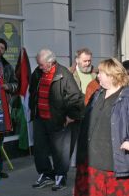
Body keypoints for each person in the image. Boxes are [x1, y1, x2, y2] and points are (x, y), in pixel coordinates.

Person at [29, 48, 84, 191]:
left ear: (51, 62)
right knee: (39, 149)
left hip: (58, 119)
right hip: (40, 117)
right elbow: (33, 91)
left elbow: (75, 96)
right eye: (38, 64)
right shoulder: (37, 73)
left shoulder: (63, 74)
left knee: (60, 151)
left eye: (41, 65)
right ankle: (45, 174)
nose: (39, 67)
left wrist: (71, 116)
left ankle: (60, 175)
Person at [74, 58, 129, 196]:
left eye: (101, 73)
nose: (97, 75)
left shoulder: (126, 97)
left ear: (112, 75)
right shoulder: (97, 94)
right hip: (91, 162)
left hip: (114, 165)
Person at [0, 38, 18, 180]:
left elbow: (16, 84)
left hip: (2, 106)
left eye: (2, 48)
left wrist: (8, 87)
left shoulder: (7, 66)